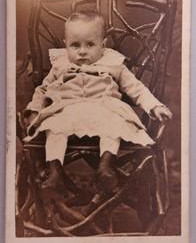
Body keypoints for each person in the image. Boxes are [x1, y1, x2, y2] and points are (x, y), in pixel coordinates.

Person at [24, 11, 172, 193]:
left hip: (104, 106)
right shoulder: (60, 65)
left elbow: (136, 88)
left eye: (90, 45)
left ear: (103, 45)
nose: (82, 51)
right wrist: (34, 109)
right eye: (75, 45)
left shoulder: (114, 64)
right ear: (65, 46)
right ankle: (55, 170)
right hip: (67, 108)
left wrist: (155, 106)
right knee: (53, 127)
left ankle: (105, 166)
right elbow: (43, 89)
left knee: (114, 125)